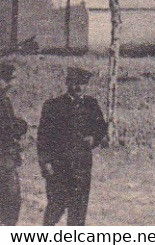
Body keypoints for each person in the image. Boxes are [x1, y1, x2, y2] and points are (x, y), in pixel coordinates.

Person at [37, 66, 107, 226]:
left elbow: (101, 127)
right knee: (56, 207)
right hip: (59, 167)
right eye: (75, 83)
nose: (79, 87)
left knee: (78, 211)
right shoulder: (53, 106)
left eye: (83, 84)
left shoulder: (91, 104)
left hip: (81, 167)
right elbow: (43, 138)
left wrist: (94, 138)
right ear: (68, 83)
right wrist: (45, 162)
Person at [0, 63, 27, 225]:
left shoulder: (4, 99)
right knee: (11, 201)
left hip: (6, 157)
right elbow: (6, 127)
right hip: (3, 159)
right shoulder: (2, 100)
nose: (11, 84)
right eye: (8, 80)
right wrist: (21, 126)